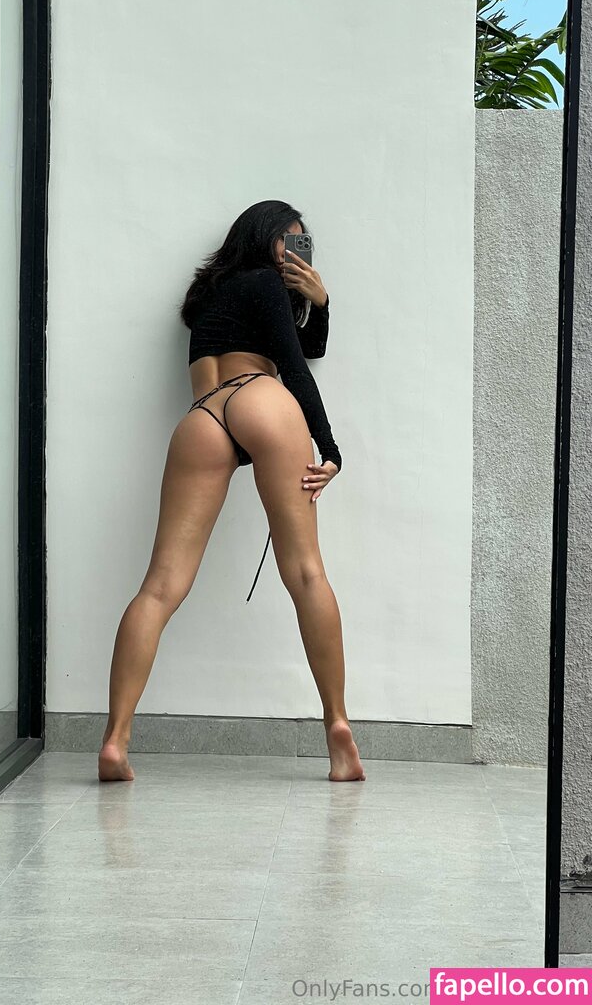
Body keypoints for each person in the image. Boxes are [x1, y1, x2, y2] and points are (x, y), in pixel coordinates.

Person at [98, 200, 365, 783]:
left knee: (159, 586)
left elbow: (308, 345)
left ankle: (115, 739)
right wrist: (330, 447)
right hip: (260, 399)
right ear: (262, 237)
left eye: (300, 243)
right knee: (306, 572)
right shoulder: (265, 284)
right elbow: (296, 363)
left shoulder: (205, 295)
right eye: (286, 239)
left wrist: (316, 304)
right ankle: (338, 725)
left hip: (202, 417)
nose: (293, 252)